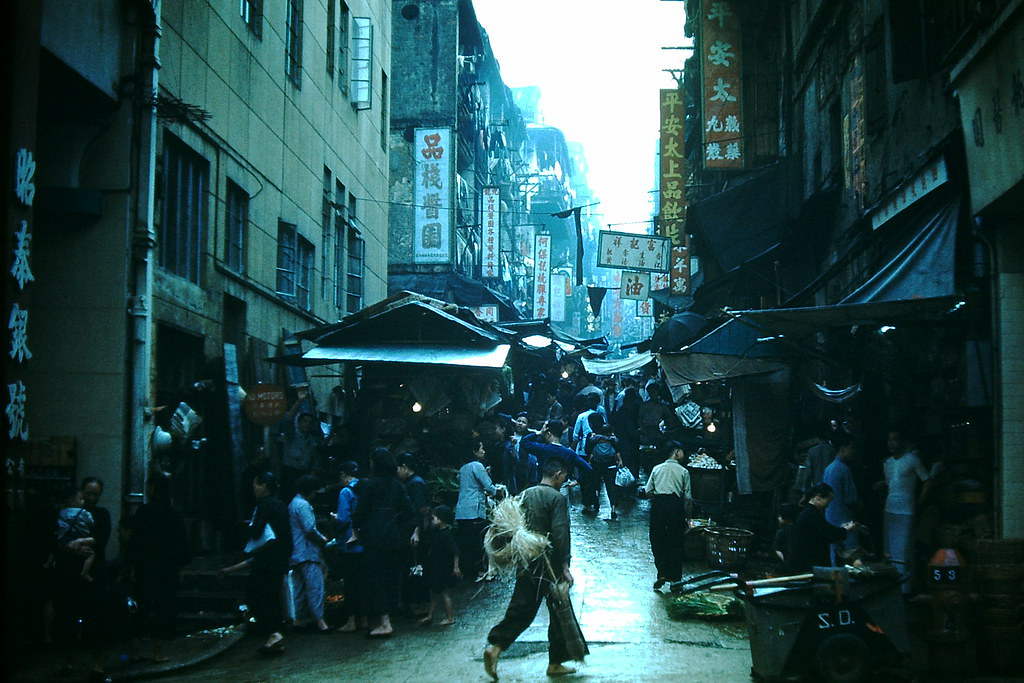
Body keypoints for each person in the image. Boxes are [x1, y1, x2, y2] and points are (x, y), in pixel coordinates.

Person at [484, 459, 586, 680]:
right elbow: (560, 534)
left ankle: (499, 646)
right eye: (564, 477)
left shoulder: (525, 494)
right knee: (559, 609)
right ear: (558, 474)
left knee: (523, 607)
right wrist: (565, 566)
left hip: (527, 559)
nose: (565, 481)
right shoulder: (556, 498)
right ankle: (550, 661)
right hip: (548, 563)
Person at [220, 471, 292, 655]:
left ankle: (274, 633)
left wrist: (247, 527)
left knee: (257, 597)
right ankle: (276, 637)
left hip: (265, 562)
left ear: (264, 486)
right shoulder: (281, 506)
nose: (254, 489)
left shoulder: (264, 505)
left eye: (256, 485)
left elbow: (257, 531)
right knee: (273, 599)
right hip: (279, 561)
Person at [127, 472, 190, 663]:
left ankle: (136, 651)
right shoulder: (174, 514)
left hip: (145, 567)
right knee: (163, 609)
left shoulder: (143, 512)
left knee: (141, 609)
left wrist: (132, 567)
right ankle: (157, 652)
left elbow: (135, 543)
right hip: (167, 569)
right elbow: (182, 545)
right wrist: (180, 567)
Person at [352, 448, 415, 637]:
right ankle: (387, 619)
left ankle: (383, 621)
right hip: (392, 539)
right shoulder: (398, 486)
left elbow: (360, 513)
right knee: (391, 578)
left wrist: (358, 529)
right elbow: (410, 512)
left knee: (375, 579)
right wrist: (399, 530)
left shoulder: (370, 485)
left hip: (374, 538)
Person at [877, 428, 929, 593]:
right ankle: (893, 587)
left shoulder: (912, 459)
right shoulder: (887, 463)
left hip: (906, 510)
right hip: (890, 509)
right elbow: (890, 484)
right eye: (889, 440)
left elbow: (927, 480)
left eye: (895, 439)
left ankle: (905, 589)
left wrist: (919, 502)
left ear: (902, 441)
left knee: (904, 549)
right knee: (890, 550)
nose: (892, 443)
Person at [644, 441, 692, 589]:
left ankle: (662, 574)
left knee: (657, 540)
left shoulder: (657, 469)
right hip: (675, 507)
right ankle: (675, 580)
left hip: (658, 506)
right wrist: (688, 518)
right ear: (676, 452)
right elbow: (688, 498)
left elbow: (647, 491)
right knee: (676, 542)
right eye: (682, 452)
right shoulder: (684, 472)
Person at [288, 474, 330, 633]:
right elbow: (310, 529)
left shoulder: (292, 503)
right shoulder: (303, 505)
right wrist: (323, 540)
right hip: (307, 552)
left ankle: (298, 619)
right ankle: (320, 622)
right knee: (315, 587)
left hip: (296, 553)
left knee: (298, 589)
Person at [454, 440, 501, 581]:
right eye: (481, 449)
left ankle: (468, 572)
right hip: (474, 510)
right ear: (474, 451)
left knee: (466, 542)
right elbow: (489, 487)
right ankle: (479, 571)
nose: (484, 451)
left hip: (462, 510)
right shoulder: (477, 465)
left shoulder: (463, 469)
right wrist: (499, 492)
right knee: (477, 542)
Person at [788, 483, 856, 573]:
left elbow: (826, 529)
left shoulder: (810, 513)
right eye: (828, 501)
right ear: (818, 497)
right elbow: (827, 533)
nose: (827, 506)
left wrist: (842, 529)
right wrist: (845, 530)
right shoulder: (810, 514)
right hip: (809, 563)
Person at [331, 461, 366, 633]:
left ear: (344, 475)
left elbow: (343, 519)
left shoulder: (346, 492)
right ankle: (364, 619)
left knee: (351, 584)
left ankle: (351, 621)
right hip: (364, 543)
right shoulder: (364, 488)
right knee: (362, 582)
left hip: (349, 545)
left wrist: (335, 518)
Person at [418, 505, 461, 627]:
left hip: (443, 569)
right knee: (434, 593)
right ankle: (430, 615)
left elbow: (455, 552)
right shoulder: (437, 532)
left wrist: (456, 567)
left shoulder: (447, 534)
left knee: (444, 593)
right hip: (436, 567)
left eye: (434, 518)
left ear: (441, 520)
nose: (432, 520)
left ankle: (449, 617)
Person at [822, 432, 861, 563]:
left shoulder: (828, 469)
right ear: (843, 448)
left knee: (833, 557)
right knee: (852, 556)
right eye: (852, 448)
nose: (854, 451)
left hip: (830, 519)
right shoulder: (844, 470)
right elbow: (852, 499)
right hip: (845, 519)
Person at [279, 386, 323, 496]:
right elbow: (288, 419)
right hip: (289, 472)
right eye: (304, 421)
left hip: (303, 473)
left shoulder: (311, 440)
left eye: (309, 422)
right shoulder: (291, 435)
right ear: (298, 423)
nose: (307, 424)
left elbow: (314, 458)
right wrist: (300, 401)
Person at [56, 488, 97, 582]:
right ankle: (85, 572)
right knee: (91, 554)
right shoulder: (84, 513)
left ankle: (48, 562)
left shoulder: (62, 511)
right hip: (77, 539)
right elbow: (91, 522)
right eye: (81, 498)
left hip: (64, 539)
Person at [587, 423, 623, 521]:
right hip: (610, 465)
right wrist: (620, 461)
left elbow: (590, 448)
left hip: (597, 465)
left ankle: (595, 504)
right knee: (611, 486)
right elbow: (617, 450)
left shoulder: (596, 439)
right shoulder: (613, 440)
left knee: (595, 484)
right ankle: (613, 509)